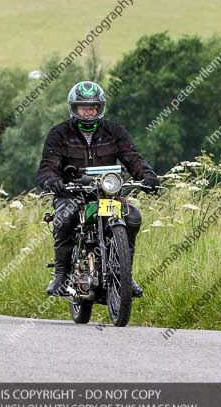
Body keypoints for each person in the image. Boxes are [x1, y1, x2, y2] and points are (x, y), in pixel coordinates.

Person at [36, 81, 158, 298]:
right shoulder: (59, 134)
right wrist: (52, 181)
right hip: (72, 194)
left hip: (107, 194)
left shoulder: (114, 131)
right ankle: (62, 275)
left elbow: (132, 158)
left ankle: (125, 276)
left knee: (132, 217)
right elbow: (48, 166)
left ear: (100, 108)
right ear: (73, 108)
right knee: (64, 218)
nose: (88, 112)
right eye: (83, 108)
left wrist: (147, 175)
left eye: (93, 107)